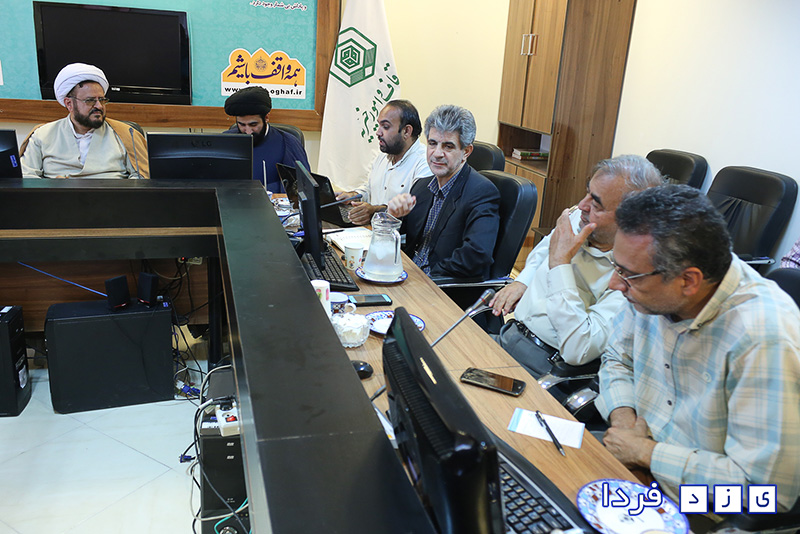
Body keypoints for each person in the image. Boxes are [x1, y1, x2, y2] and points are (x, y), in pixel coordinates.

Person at [596, 185, 800, 524]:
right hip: (633, 463)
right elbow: (617, 358)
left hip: (702, 507)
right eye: (617, 268)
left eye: (628, 275)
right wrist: (625, 426)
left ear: (689, 281)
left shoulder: (764, 338)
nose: (615, 285)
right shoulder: (650, 289)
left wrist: (647, 454)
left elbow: (767, 494)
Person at [489, 155, 664, 378]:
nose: (582, 205)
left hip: (548, 368)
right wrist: (522, 281)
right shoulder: (579, 219)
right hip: (510, 334)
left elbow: (579, 349)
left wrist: (560, 265)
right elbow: (546, 248)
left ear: (632, 221)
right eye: (587, 192)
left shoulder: (636, 275)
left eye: (596, 204)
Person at [387, 105, 500, 280]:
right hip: (408, 273)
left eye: (448, 146)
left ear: (466, 152)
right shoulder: (422, 186)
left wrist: (425, 277)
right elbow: (400, 236)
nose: (437, 153)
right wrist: (392, 216)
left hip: (440, 285)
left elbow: (476, 256)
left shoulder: (482, 193)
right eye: (432, 143)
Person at [20, 63, 147, 179]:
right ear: (69, 104)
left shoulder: (127, 134)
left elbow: (141, 177)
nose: (99, 106)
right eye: (90, 100)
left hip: (112, 196)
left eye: (102, 100)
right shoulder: (42, 135)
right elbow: (27, 176)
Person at [335, 100, 432, 225]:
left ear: (406, 131)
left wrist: (375, 211)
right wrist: (353, 196)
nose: (378, 132)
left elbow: (415, 211)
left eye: (385, 127)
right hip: (372, 230)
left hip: (398, 236)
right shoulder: (383, 156)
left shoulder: (425, 163)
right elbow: (370, 188)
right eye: (379, 125)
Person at [223, 86, 310, 192]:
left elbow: (300, 185)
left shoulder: (288, 143)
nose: (248, 131)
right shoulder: (225, 140)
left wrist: (261, 190)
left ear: (266, 118)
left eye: (253, 124)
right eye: (242, 125)